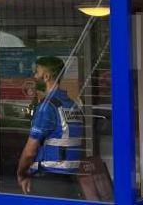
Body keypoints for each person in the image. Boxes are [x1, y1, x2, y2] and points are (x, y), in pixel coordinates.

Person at [16, 56, 86, 199]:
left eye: (36, 73)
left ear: (46, 77)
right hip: (72, 179)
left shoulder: (47, 107)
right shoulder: (71, 104)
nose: (34, 77)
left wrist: (21, 174)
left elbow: (30, 151)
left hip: (49, 180)